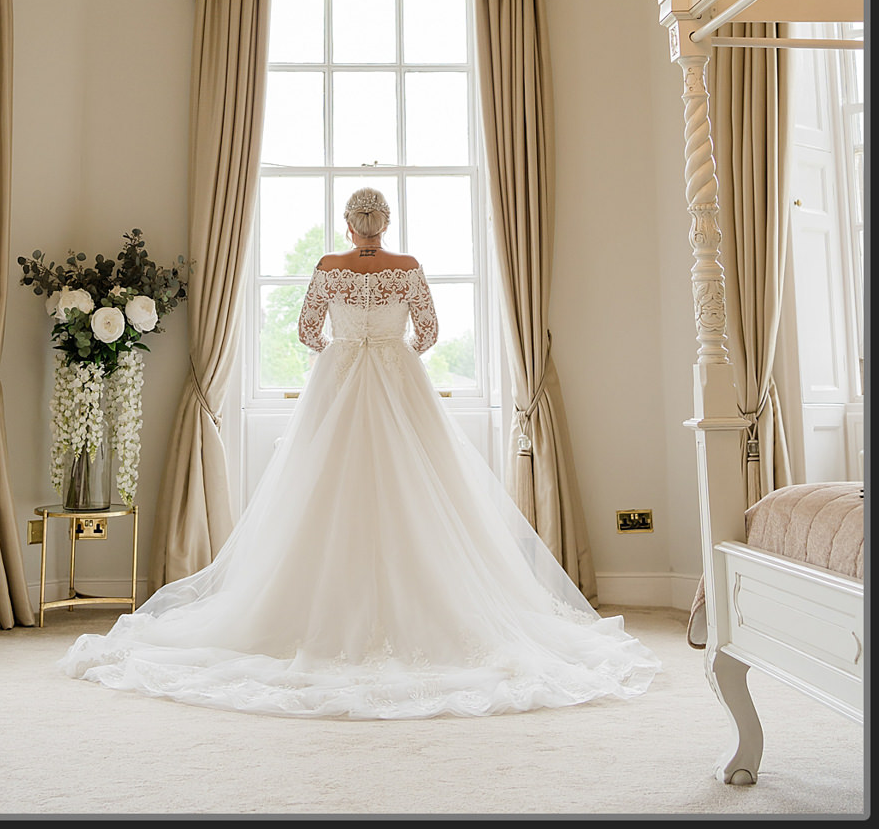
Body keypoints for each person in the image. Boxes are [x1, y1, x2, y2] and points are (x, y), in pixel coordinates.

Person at [61, 187, 660, 718]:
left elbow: (304, 330)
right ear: (386, 225)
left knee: (321, 495)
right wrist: (395, 351)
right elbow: (428, 331)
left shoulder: (328, 265)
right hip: (399, 380)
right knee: (424, 497)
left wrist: (343, 347)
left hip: (340, 378)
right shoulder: (408, 268)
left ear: (349, 226)